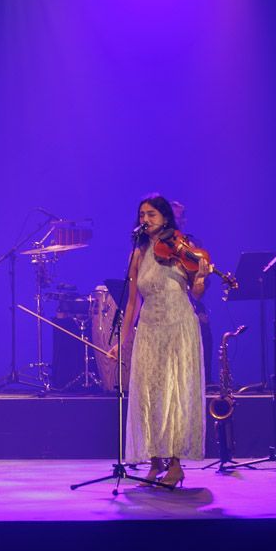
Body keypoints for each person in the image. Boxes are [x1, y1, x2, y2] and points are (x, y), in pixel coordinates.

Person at [110, 194, 206, 488]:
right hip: (150, 328)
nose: (145, 220)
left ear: (165, 217)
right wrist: (122, 340)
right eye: (142, 215)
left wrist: (201, 277)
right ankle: (154, 463)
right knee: (149, 394)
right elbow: (131, 304)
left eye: (151, 214)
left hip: (179, 326)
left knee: (175, 393)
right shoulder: (137, 253)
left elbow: (197, 293)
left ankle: (175, 465)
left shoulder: (183, 248)